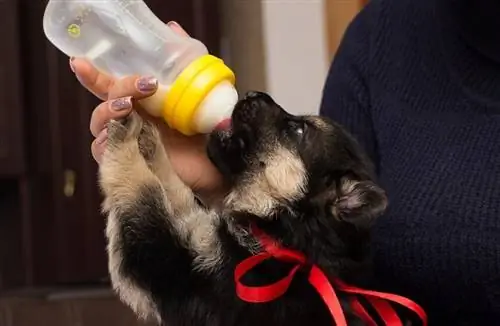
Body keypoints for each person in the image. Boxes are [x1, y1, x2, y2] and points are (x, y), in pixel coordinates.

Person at [71, 0, 500, 324]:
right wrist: (211, 181)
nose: (258, 99)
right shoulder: (379, 37)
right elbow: (169, 275)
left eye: (295, 130)